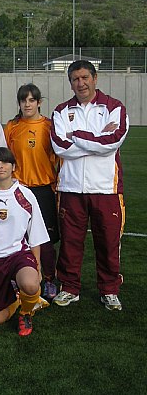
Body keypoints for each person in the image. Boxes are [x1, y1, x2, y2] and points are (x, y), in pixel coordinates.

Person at [50, 60, 128, 311]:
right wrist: (96, 141)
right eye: (75, 79)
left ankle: (109, 290)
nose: (80, 83)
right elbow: (60, 146)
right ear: (70, 82)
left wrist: (78, 136)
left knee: (108, 242)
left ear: (95, 78)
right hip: (71, 187)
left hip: (106, 188)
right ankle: (70, 288)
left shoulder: (114, 107)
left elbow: (112, 141)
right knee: (71, 242)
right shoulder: (61, 111)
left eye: (85, 77)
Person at [0, 147, 49, 336]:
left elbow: (35, 233)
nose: (0, 166)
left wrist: (37, 266)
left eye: (4, 162)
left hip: (17, 255)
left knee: (30, 284)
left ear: (13, 166)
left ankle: (26, 311)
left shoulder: (26, 195)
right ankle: (18, 299)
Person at [4, 84, 60, 300]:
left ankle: (48, 280)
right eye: (23, 100)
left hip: (44, 189)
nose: (27, 104)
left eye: (31, 100)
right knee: (17, 236)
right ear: (19, 103)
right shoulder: (11, 127)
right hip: (19, 190)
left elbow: (60, 155)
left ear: (39, 102)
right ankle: (16, 278)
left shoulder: (49, 126)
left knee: (45, 240)